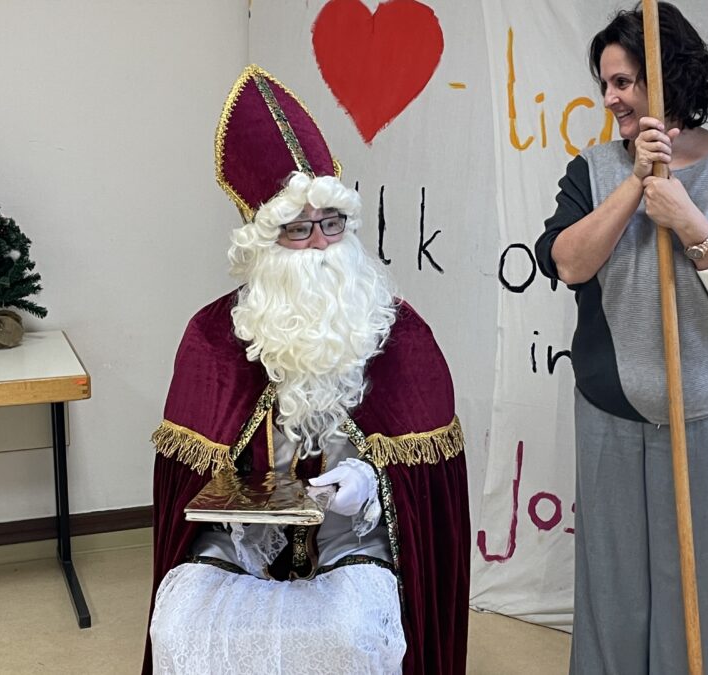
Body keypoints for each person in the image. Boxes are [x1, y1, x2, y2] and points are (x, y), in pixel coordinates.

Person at [143, 65, 470, 675]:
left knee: (346, 632)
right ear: (263, 244)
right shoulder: (213, 336)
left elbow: (430, 499)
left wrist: (372, 487)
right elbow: (183, 494)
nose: (322, 243)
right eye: (298, 229)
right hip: (238, 544)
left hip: (358, 538)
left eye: (333, 223)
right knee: (183, 622)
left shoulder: (398, 332)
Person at [534, 4, 708, 674]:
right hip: (611, 416)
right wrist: (635, 186)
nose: (610, 97)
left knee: (694, 594)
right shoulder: (591, 170)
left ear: (666, 78)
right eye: (606, 84)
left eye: (623, 81)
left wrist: (689, 221)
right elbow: (568, 262)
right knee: (611, 594)